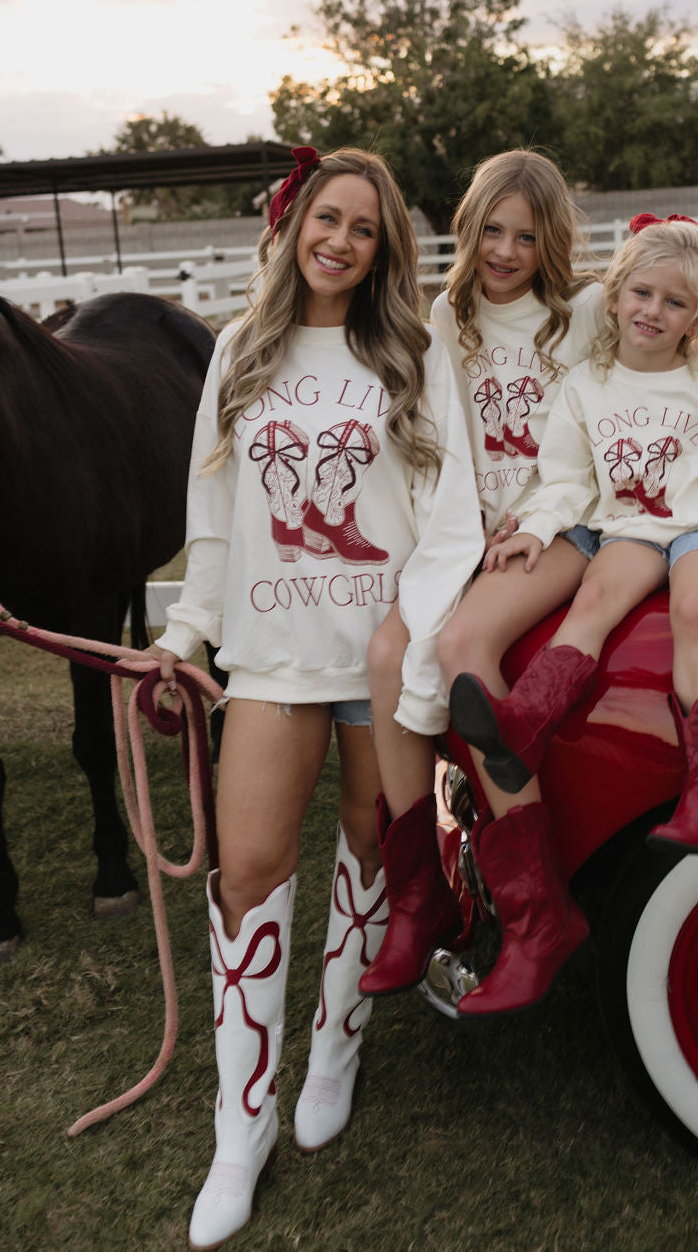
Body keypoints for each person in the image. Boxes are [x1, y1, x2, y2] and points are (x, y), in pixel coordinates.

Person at [144, 147, 482, 1251]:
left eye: (364, 228)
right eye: (325, 219)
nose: (340, 240)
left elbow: (451, 512)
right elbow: (211, 507)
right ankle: (238, 1129)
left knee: (369, 846)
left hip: (376, 654)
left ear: (384, 248)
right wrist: (185, 631)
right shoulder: (240, 349)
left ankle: (334, 1045)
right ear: (292, 226)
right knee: (245, 869)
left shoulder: (413, 352)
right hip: (272, 653)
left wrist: (408, 630)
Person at [363, 156, 698, 1020]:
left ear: (556, 241)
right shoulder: (445, 320)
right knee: (385, 653)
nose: (507, 250)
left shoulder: (592, 306)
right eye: (492, 230)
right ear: (469, 226)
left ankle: (534, 910)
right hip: (478, 525)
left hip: (571, 520)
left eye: (528, 235)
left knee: (460, 647)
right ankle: (420, 893)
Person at [451, 213, 698, 895]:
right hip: (628, 525)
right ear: (615, 296)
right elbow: (568, 480)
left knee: (695, 605)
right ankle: (522, 727)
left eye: (674, 302)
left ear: (696, 316)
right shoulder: (587, 386)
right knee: (596, 596)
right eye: (642, 293)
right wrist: (537, 532)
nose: (653, 311)